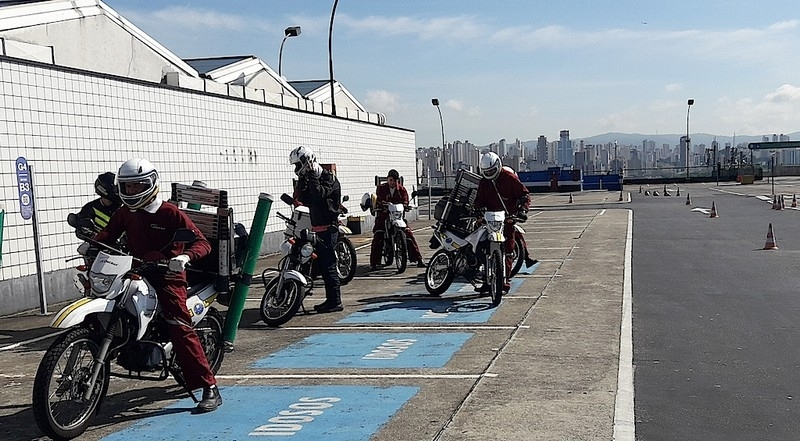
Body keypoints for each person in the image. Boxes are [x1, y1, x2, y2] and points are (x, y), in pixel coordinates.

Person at [93, 158, 222, 413]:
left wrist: (183, 257)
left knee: (179, 325)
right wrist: (92, 243)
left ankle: (209, 387)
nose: (131, 192)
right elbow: (108, 233)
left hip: (167, 276)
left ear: (151, 184)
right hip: (134, 270)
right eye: (127, 187)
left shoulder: (170, 213)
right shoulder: (125, 212)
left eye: (136, 186)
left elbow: (202, 243)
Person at [289, 145, 343, 313]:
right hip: (316, 228)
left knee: (328, 265)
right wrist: (304, 181)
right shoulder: (310, 179)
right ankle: (302, 294)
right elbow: (304, 198)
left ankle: (334, 301)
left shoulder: (329, 179)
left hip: (328, 228)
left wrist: (311, 175)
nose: (298, 169)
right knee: (315, 263)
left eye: (299, 165)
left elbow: (319, 197)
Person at [474, 152, 530, 292]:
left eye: (492, 170)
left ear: (498, 166)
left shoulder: (509, 178)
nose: (490, 173)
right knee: (480, 246)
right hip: (489, 219)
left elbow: (524, 194)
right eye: (487, 171)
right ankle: (486, 279)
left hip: (507, 219)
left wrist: (523, 210)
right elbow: (478, 200)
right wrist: (478, 212)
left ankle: (504, 280)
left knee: (508, 250)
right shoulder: (483, 182)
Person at [369, 169, 426, 270]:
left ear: (397, 181)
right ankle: (374, 263)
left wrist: (405, 205)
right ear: (387, 179)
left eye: (394, 180)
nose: (392, 182)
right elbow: (378, 199)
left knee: (409, 235)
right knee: (378, 236)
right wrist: (382, 204)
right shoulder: (381, 188)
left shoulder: (402, 190)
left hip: (398, 218)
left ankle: (418, 259)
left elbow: (405, 200)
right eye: (390, 180)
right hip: (384, 217)